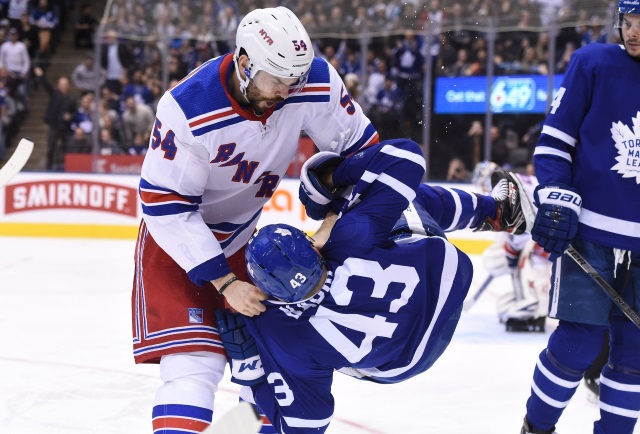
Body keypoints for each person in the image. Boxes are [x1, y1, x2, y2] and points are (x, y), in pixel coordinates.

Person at [132, 7, 380, 433]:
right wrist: (225, 283)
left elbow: (364, 154)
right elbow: (166, 205)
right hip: (179, 246)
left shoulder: (311, 81)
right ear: (245, 64)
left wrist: (335, 217)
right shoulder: (187, 108)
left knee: (269, 367)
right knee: (194, 365)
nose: (288, 91)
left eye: (295, 80)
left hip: (250, 243)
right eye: (278, 80)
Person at [214, 138, 528, 433]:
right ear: (312, 247)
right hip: (445, 289)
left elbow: (306, 426)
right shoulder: (352, 233)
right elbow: (405, 156)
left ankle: (250, 405)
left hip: (402, 364)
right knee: (404, 197)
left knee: (278, 355)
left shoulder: (277, 329)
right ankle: (498, 211)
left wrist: (251, 373)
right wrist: (336, 185)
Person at [520, 2, 640, 433]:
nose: (634, 31)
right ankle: (535, 428)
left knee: (634, 358)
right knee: (578, 343)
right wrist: (557, 197)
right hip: (592, 234)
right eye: (629, 21)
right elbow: (554, 143)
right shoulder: (592, 63)